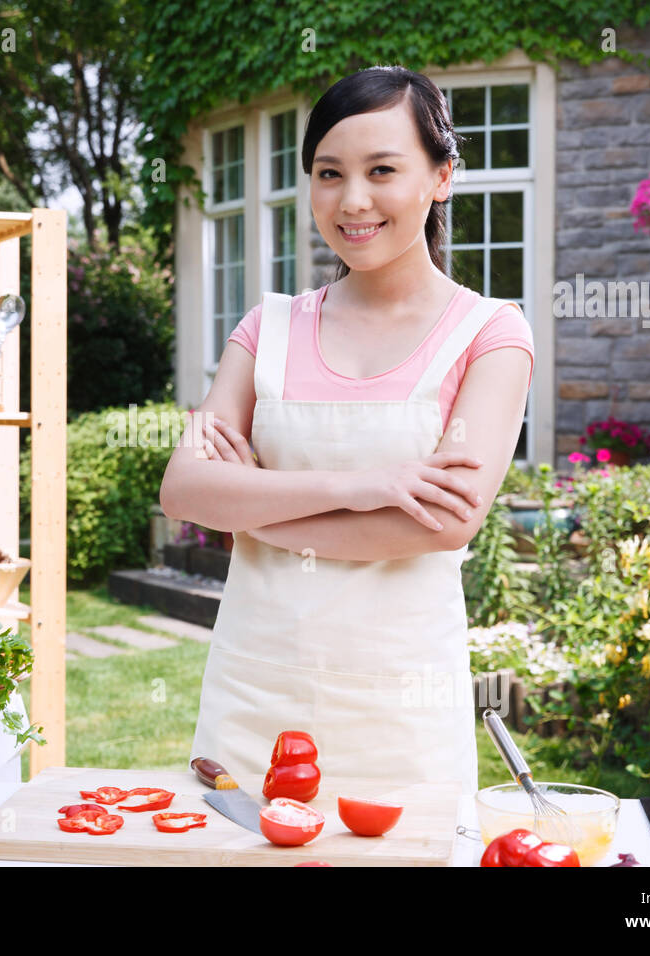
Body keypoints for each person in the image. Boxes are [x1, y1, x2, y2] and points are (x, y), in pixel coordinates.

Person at [159, 65, 535, 795]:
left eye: (383, 170)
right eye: (329, 173)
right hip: (252, 698)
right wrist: (363, 488)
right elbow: (184, 489)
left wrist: (255, 502)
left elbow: (442, 524)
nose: (352, 200)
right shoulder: (265, 330)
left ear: (441, 178)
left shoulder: (489, 335)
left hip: (401, 716)